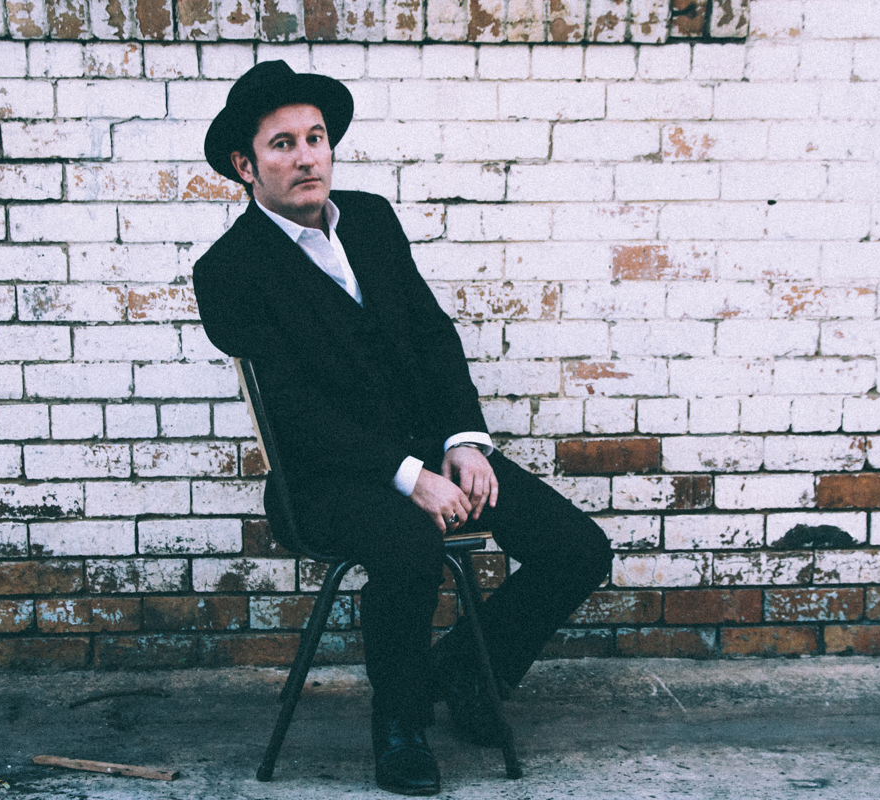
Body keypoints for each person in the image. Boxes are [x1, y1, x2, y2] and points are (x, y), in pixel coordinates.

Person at [193, 60, 613, 797]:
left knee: (578, 548)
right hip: (322, 482)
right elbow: (293, 411)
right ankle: (400, 726)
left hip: (427, 454)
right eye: (283, 144)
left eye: (316, 138)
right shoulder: (229, 270)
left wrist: (463, 440)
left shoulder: (371, 220)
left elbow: (430, 335)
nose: (307, 157)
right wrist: (407, 476)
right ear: (245, 165)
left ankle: (465, 669)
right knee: (410, 544)